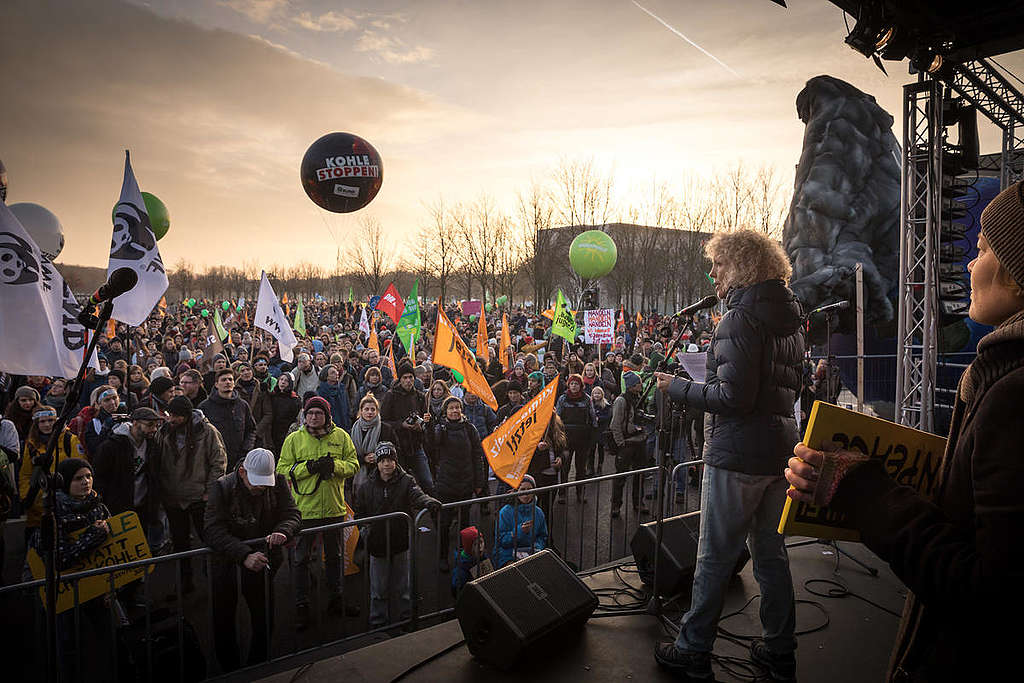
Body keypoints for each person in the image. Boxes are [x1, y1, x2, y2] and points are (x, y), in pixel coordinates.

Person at [786, 182, 1024, 682]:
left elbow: (989, 592)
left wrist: (859, 488)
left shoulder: (1013, 395)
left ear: (1016, 269)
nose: (969, 266)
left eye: (980, 249)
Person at [652, 229, 802, 681]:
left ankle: (693, 648)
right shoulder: (790, 317)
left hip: (737, 457)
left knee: (714, 556)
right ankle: (780, 651)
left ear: (740, 266)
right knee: (772, 556)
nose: (712, 273)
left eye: (718, 264)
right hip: (778, 452)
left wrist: (677, 387)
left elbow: (733, 396)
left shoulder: (739, 318)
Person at [204, 448, 301, 671]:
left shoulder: (277, 483)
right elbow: (212, 529)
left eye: (265, 483)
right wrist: (244, 554)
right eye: (256, 482)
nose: (260, 488)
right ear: (241, 472)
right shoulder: (222, 487)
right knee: (224, 618)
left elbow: (292, 513)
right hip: (227, 562)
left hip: (263, 561)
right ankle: (230, 669)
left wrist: (283, 531)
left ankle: (259, 665)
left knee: (263, 616)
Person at [277, 396, 361, 628]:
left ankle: (336, 597)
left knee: (334, 557)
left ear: (327, 415)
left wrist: (335, 467)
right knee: (301, 558)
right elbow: (282, 470)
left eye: (318, 413)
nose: (314, 417)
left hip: (334, 507)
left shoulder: (341, 436)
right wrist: (309, 468)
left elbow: (354, 464)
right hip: (304, 511)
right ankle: (301, 603)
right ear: (304, 415)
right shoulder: (294, 439)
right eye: (310, 413)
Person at [353, 442, 440, 629]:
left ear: (396, 461)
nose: (387, 464)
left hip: (400, 541)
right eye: (383, 460)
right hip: (377, 543)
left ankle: (405, 619)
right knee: (378, 590)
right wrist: (365, 531)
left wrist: (429, 502)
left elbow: (417, 495)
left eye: (390, 460)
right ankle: (378, 623)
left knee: (403, 588)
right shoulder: (366, 486)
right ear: (377, 462)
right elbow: (359, 513)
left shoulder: (407, 480)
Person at [157, 396, 227, 594]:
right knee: (180, 543)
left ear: (187, 415)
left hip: (199, 498)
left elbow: (218, 463)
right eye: (171, 415)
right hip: (173, 498)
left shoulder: (207, 432)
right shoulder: (164, 431)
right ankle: (185, 582)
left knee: (209, 540)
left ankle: (215, 579)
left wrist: (209, 491)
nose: (172, 419)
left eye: (177, 416)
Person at [426, 396, 486, 572]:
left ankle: (464, 555)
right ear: (446, 411)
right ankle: (443, 557)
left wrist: (479, 481)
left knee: (464, 524)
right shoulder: (441, 428)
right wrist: (429, 426)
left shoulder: (470, 429)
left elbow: (477, 455)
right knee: (444, 524)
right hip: (446, 483)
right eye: (451, 408)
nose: (455, 411)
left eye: (457, 408)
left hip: (466, 483)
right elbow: (431, 444)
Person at [19, 406, 84, 546]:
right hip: (38, 509)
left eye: (50, 420)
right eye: (42, 421)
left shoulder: (69, 440)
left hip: (68, 505)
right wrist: (26, 496)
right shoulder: (31, 444)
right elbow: (25, 473)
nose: (47, 424)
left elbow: (80, 469)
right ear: (36, 424)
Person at [91, 407, 163, 534]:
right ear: (135, 423)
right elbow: (100, 476)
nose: (154, 429)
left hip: (143, 506)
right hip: (118, 506)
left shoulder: (152, 444)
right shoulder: (112, 446)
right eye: (150, 425)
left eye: (157, 425)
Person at [379, 363, 434, 496]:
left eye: (411, 377)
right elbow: (383, 422)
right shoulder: (391, 396)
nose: (408, 380)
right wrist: (401, 425)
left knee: (427, 482)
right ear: (400, 379)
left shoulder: (421, 396)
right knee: (400, 486)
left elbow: (429, 422)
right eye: (405, 377)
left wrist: (424, 422)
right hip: (398, 448)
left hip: (416, 445)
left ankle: (432, 512)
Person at [199, 368, 256, 470]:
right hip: (214, 461)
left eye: (230, 379)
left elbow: (251, 429)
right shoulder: (205, 407)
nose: (227, 382)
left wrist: (246, 449)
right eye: (224, 380)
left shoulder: (242, 405)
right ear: (216, 384)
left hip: (239, 460)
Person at [609, 371, 649, 518]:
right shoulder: (621, 401)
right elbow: (615, 424)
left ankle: (638, 502)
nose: (641, 385)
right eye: (638, 383)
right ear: (632, 385)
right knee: (620, 477)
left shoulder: (639, 398)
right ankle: (615, 505)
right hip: (627, 443)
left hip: (640, 442)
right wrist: (621, 443)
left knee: (640, 475)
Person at [555, 374, 597, 504]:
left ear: (581, 385)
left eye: (576, 384)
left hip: (582, 438)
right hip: (566, 438)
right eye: (572, 383)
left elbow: (593, 417)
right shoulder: (562, 399)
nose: (574, 386)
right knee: (565, 467)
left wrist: (593, 435)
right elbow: (557, 418)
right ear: (568, 385)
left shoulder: (587, 399)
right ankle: (562, 493)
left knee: (581, 468)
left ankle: (580, 492)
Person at [493, 475, 548, 568]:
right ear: (516, 491)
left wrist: (537, 547)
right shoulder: (505, 512)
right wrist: (519, 532)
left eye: (529, 490)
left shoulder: (538, 512)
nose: (526, 494)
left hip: (531, 552)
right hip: (508, 553)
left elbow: (543, 536)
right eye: (522, 489)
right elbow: (501, 540)